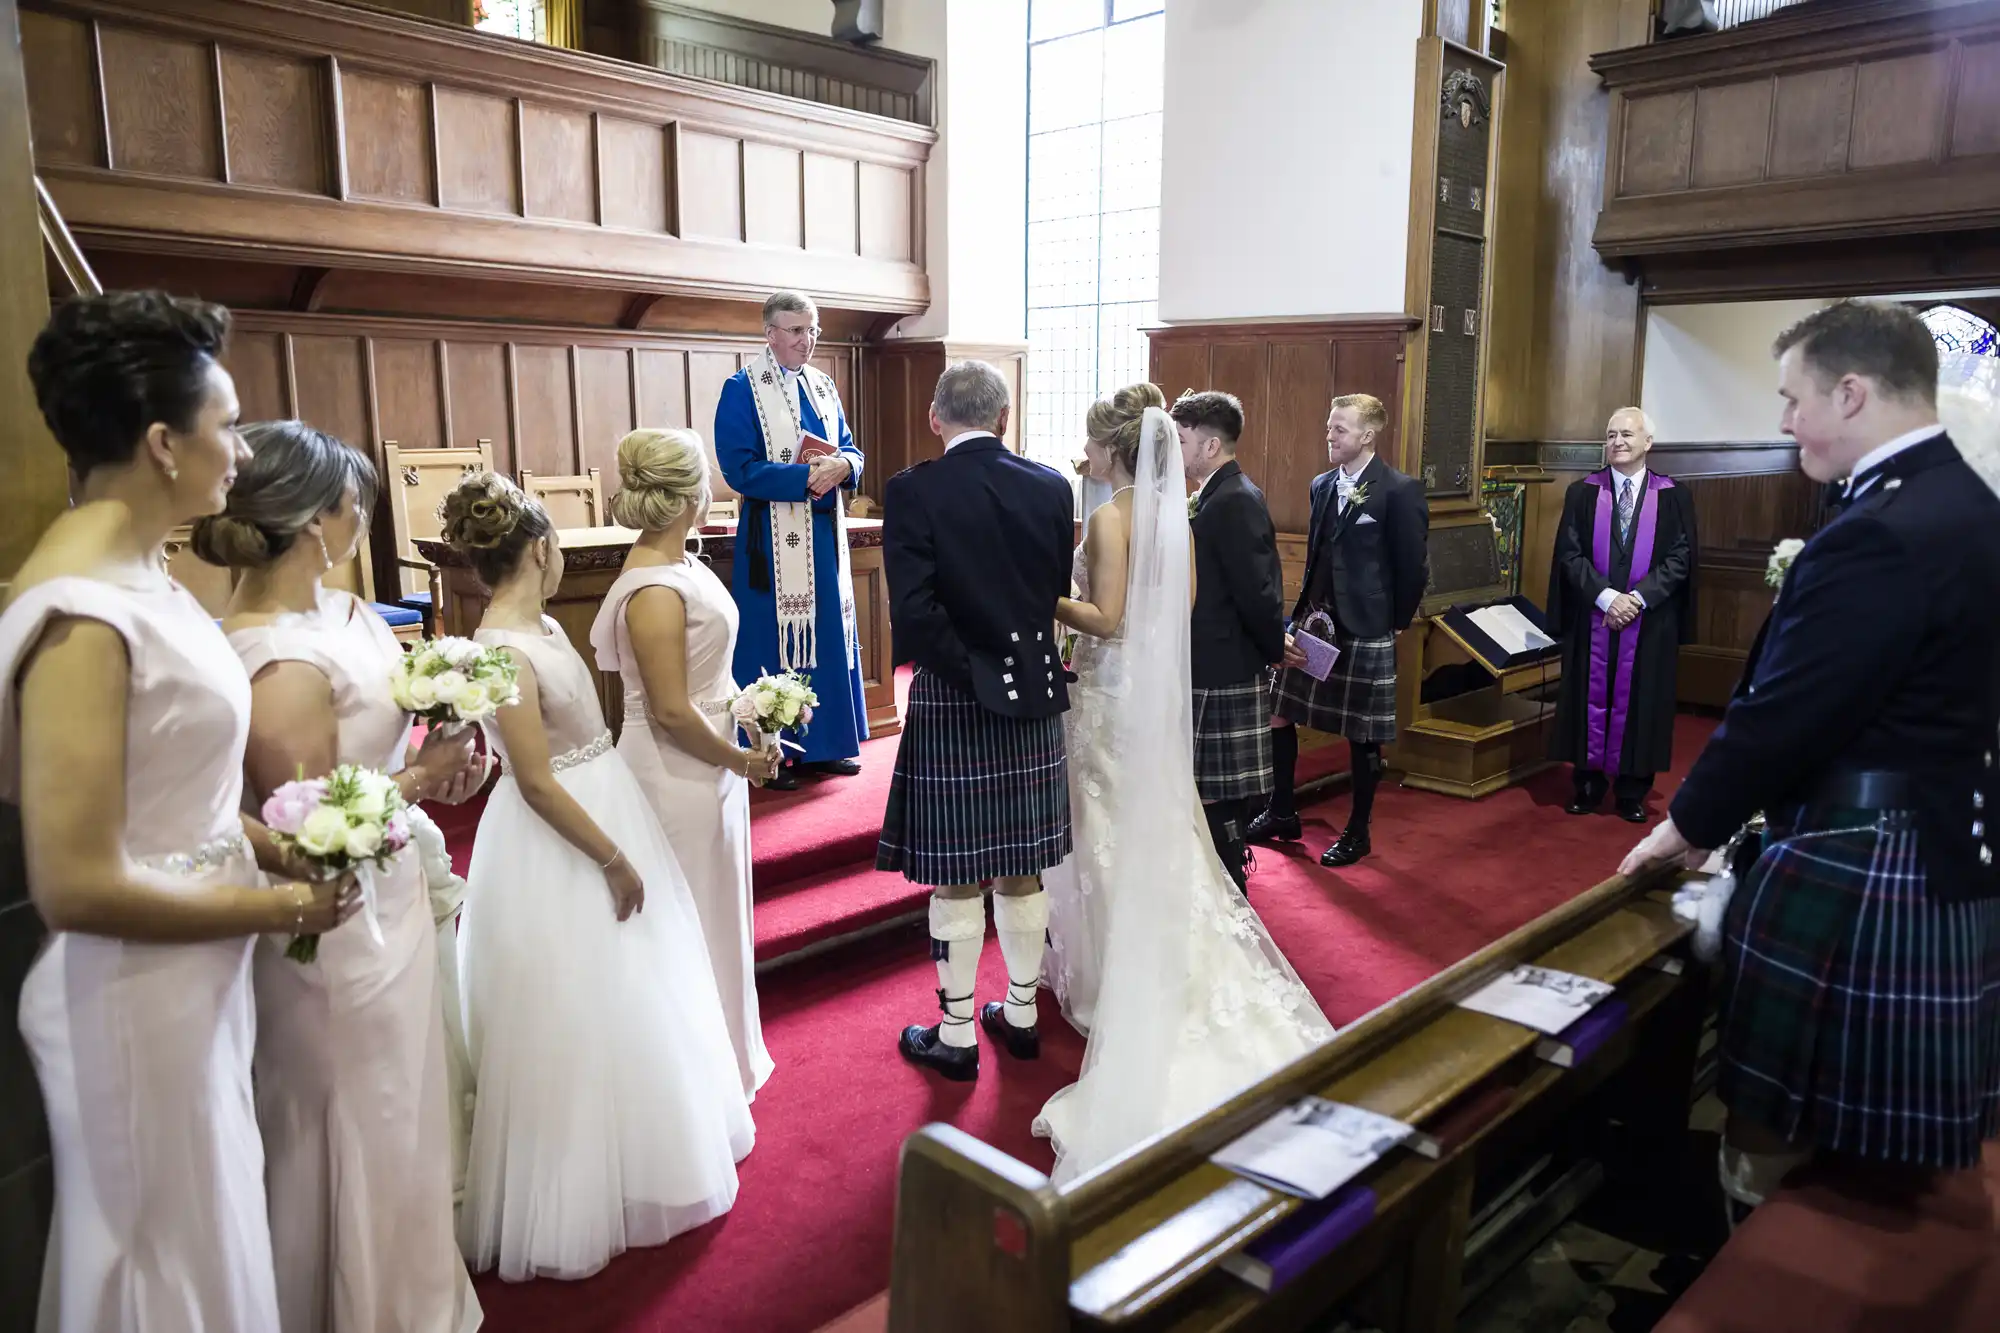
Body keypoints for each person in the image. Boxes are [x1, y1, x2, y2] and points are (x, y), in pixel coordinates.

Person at [3, 291, 358, 1331]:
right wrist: (281, 911)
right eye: (227, 423)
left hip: (188, 977)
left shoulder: (147, 576)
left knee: (209, 1226)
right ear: (163, 443)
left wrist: (266, 841)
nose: (240, 452)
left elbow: (174, 787)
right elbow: (73, 882)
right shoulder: (79, 616)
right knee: (162, 1256)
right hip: (130, 998)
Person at [1620, 299, 2000, 1217]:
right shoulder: (1972, 505)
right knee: (1863, 1127)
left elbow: (1787, 711)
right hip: (1948, 836)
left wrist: (1687, 823)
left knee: (1774, 1114)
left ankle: (1745, 1245)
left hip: (1868, 852)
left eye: (1794, 399)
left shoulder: (1881, 527)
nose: (1785, 421)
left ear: (1853, 393)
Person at [201, 421, 486, 1333]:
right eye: (352, 502)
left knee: (403, 1105)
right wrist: (419, 778)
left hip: (392, 893)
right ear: (315, 519)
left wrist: (446, 755)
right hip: (333, 920)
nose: (362, 516)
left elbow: (390, 744)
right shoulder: (275, 655)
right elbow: (316, 823)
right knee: (349, 1114)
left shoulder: (349, 614)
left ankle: (413, 1292)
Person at [445, 473, 754, 1280]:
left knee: (632, 988)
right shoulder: (503, 648)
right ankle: (576, 1184)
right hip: (563, 833)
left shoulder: (542, 622)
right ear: (542, 550)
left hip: (602, 797)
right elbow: (536, 780)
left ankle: (638, 1153)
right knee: (574, 1000)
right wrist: (613, 857)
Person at [1034, 386, 1334, 1186]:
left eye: (1091, 444)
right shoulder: (1178, 513)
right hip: (1150, 698)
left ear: (1111, 449)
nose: (1085, 455)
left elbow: (1103, 617)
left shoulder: (1107, 518)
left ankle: (1107, 980)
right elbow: (1186, 603)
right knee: (1150, 825)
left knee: (1101, 832)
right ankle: (1148, 955)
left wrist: (1042, 596)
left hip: (1104, 692)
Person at [877, 361, 1075, 1082]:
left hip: (958, 693)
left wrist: (974, 672)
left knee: (958, 875)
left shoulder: (913, 489)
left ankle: (957, 1032)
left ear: (936, 417)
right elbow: (1052, 589)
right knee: (1023, 864)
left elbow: (915, 612)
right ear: (1004, 415)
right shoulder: (1052, 485)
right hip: (1033, 688)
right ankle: (1020, 1017)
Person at [590, 427, 780, 1101]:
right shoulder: (652, 589)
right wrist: (740, 759)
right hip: (675, 775)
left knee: (715, 914)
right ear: (689, 496)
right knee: (688, 920)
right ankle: (687, 1092)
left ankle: (722, 1067)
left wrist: (753, 714)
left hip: (708, 766)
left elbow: (708, 680)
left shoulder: (680, 563)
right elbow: (670, 709)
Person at [1250, 394, 1429, 868]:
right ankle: (1281, 808)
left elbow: (1413, 567)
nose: (1329, 436)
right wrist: (1300, 610)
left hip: (1367, 626)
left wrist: (1395, 622)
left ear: (1368, 436)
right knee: (1280, 711)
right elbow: (1317, 556)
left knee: (1362, 734)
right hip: (1316, 621)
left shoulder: (1398, 490)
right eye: (1329, 427)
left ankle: (1358, 830)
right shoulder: (1321, 485)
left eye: (1341, 429)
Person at [714, 289, 868, 790]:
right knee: (772, 642)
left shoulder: (824, 385)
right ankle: (769, 753)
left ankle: (824, 747)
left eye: (814, 329)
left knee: (824, 634)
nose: (809, 340)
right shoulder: (741, 388)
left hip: (823, 537)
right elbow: (739, 468)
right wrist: (802, 479)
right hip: (770, 544)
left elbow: (849, 446)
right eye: (798, 330)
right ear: (770, 334)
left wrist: (846, 465)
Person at [1547, 408, 1697, 823]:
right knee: (1586, 695)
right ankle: (1588, 785)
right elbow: (1569, 554)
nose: (1617, 442)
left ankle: (1632, 790)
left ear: (1647, 442)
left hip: (1649, 621)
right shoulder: (1583, 492)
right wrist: (1606, 597)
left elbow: (1681, 557)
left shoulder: (1672, 495)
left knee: (1643, 700)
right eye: (1611, 435)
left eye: (1627, 434)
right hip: (1592, 617)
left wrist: (1637, 599)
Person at [1175, 389, 1287, 893]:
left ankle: (1232, 889)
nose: (1176, 449)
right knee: (1212, 791)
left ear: (1211, 445)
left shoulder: (1235, 498)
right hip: (1216, 660)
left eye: (1183, 439)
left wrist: (1273, 650)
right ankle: (1223, 886)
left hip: (1225, 664)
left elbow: (1257, 591)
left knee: (1221, 794)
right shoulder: (1220, 493)